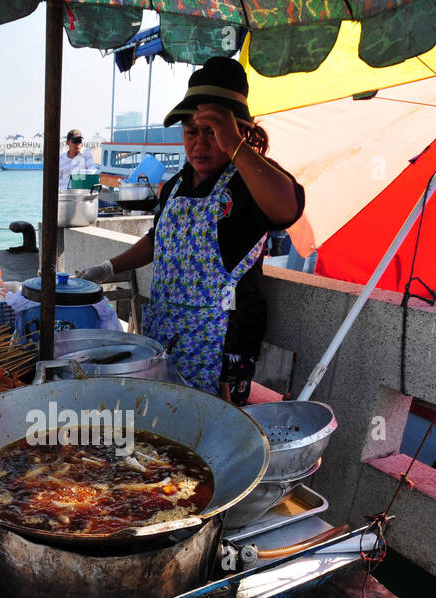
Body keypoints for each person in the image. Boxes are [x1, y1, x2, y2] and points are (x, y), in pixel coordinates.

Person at [78, 57, 303, 403]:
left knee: (212, 427)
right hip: (167, 334)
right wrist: (109, 268)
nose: (200, 144)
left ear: (237, 131)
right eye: (192, 131)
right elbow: (158, 241)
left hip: (224, 347)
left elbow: (287, 209)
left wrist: (235, 147)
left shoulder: (250, 179)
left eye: (212, 132)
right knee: (163, 418)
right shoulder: (176, 185)